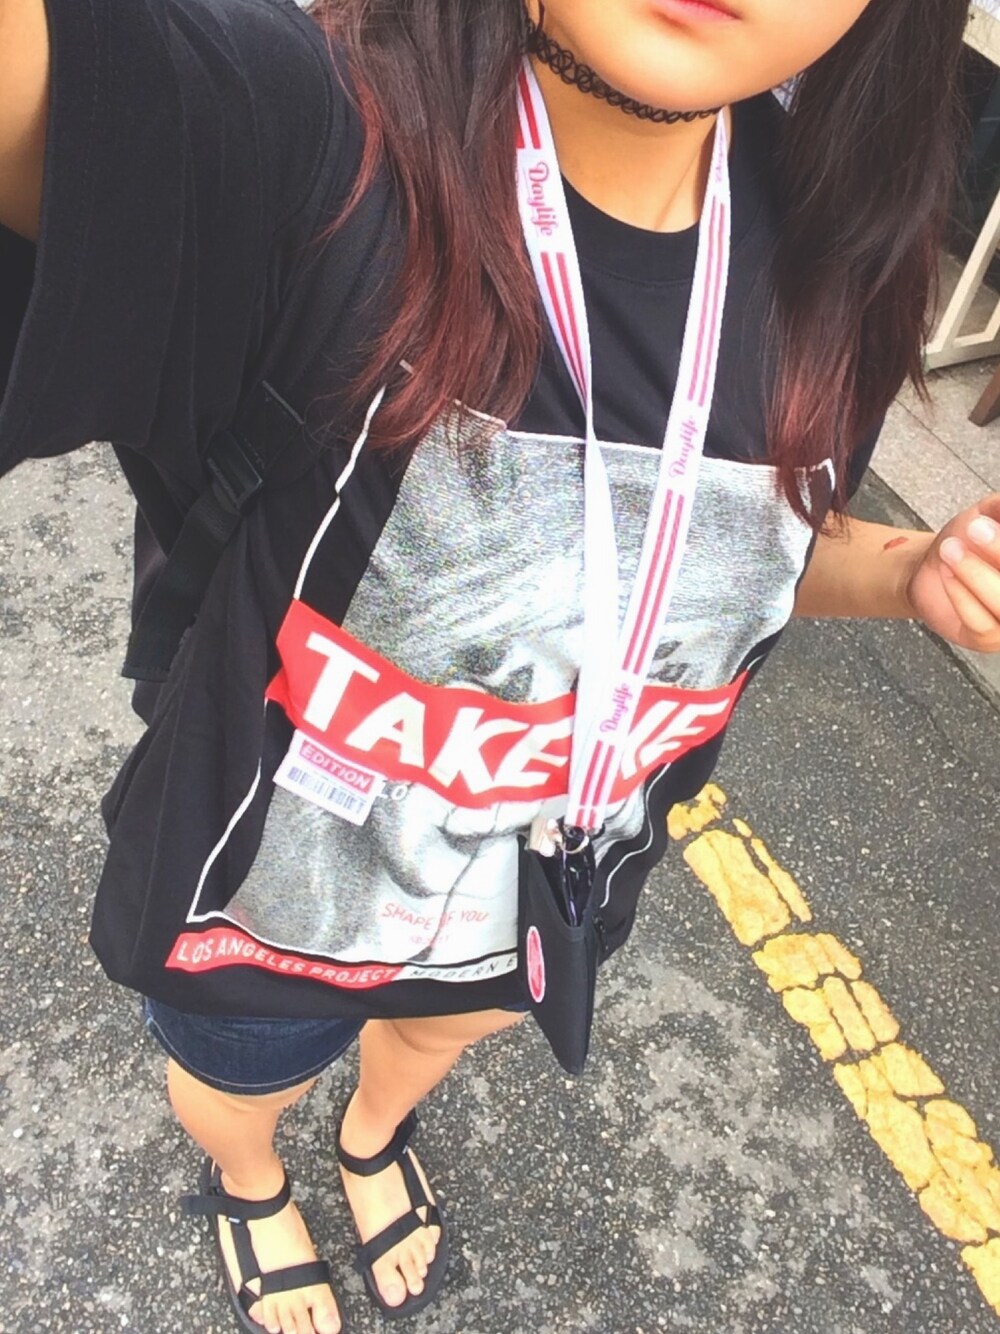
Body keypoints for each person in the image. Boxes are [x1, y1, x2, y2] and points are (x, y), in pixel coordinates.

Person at [1, 0, 997, 1330]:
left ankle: (371, 1137)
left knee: (437, 1033)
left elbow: (736, 554)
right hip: (265, 903)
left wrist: (909, 575)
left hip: (544, 876)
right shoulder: (316, 139)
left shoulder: (836, 250)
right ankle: (250, 1182)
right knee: (242, 1079)